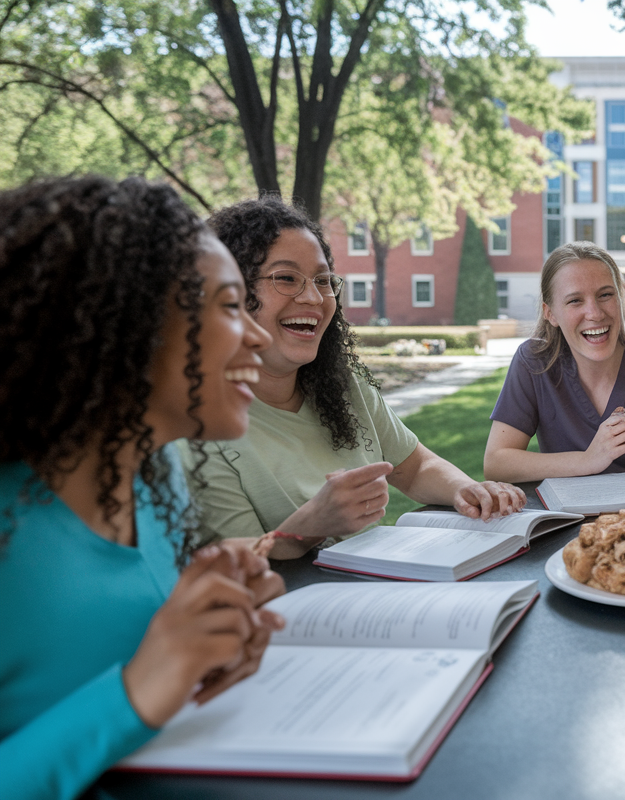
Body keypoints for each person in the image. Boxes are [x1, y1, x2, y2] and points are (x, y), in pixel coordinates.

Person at [0, 176, 286, 799]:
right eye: (232, 305)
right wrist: (137, 691)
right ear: (133, 323)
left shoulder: (159, 477)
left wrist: (208, 630)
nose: (260, 338)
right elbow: (130, 687)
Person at [189, 197, 526, 560]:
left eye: (323, 280)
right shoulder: (197, 425)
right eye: (286, 278)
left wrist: (467, 489)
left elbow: (414, 467)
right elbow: (236, 565)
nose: (314, 297)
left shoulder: (342, 386)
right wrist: (309, 528)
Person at [484, 242, 625, 482]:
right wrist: (588, 460)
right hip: (568, 519)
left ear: (621, 297)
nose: (595, 313)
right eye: (575, 301)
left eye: (605, 295)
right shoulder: (535, 363)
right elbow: (497, 463)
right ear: (551, 313)